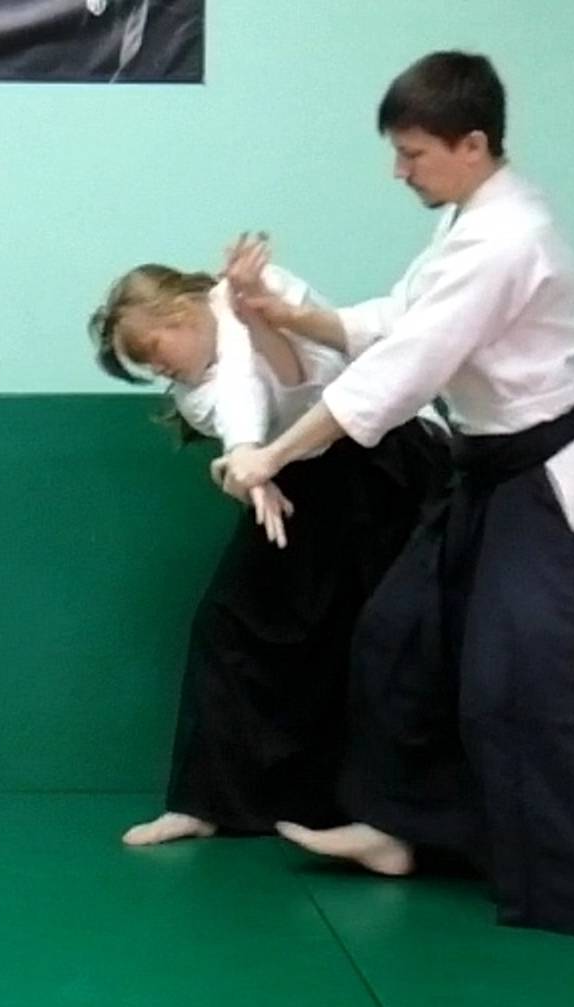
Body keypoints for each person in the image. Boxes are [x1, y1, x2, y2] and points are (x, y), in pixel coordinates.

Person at [214, 51, 574, 940]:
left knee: (541, 680)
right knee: (400, 633)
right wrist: (286, 316)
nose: (399, 172)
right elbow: (396, 319)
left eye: (413, 154)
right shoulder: (470, 220)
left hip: (543, 479)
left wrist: (271, 454)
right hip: (483, 472)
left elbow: (404, 370)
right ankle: (398, 825)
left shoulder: (509, 239)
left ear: (472, 144)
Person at [88, 257, 448, 846]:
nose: (157, 367)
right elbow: (242, 393)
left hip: (385, 459)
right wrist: (249, 460)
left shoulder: (264, 288)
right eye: (144, 367)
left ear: (177, 311)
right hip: (298, 475)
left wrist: (254, 320)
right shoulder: (193, 395)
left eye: (152, 349)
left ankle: (387, 819)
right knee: (230, 624)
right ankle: (205, 801)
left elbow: (320, 376)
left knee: (383, 632)